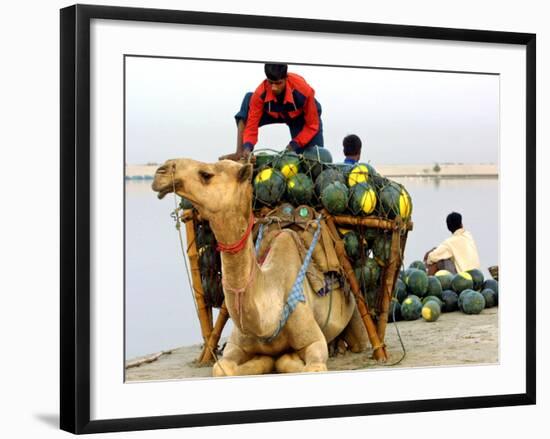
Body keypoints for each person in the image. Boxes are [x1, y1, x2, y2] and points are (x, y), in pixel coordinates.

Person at [220, 63, 324, 161]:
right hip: (273, 113)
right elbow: (251, 126)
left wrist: (294, 144)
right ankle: (240, 152)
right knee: (248, 99)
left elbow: (312, 125)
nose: (274, 88)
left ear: (286, 79)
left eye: (278, 83)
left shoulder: (303, 91)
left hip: (299, 117)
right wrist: (247, 146)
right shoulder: (260, 93)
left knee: (314, 159)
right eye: (270, 82)